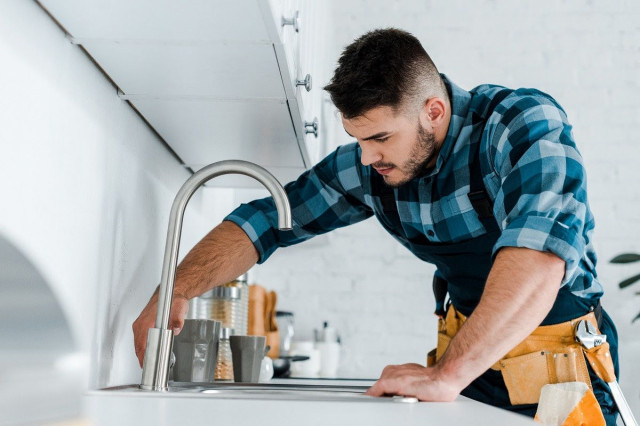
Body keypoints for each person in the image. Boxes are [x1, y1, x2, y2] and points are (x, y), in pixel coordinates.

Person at [133, 28, 619, 423]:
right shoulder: (370, 168)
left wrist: (447, 374)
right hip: (470, 371)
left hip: (561, 374)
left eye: (381, 137)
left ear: (434, 110)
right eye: (357, 138)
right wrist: (174, 289)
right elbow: (265, 220)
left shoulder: (519, 125)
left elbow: (538, 257)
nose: (367, 157)